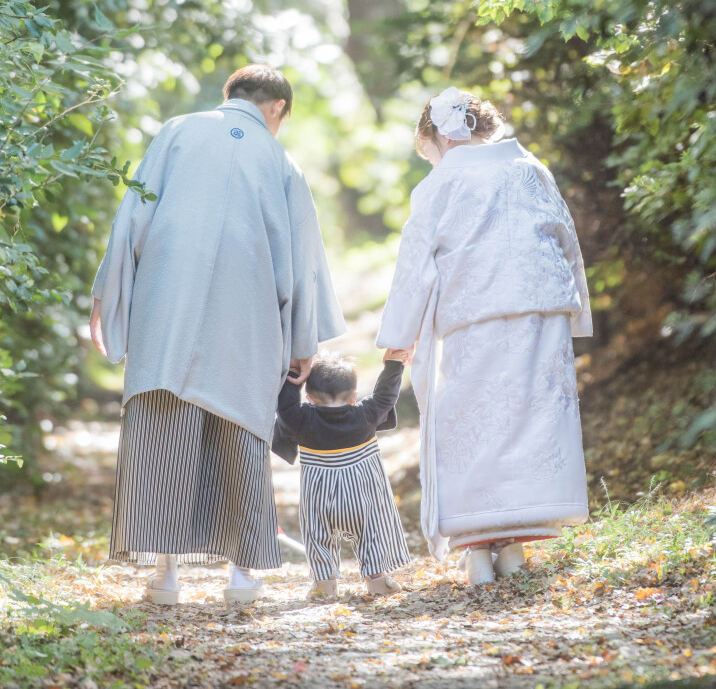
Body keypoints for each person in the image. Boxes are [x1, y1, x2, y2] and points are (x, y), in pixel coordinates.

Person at [90, 64, 345, 605]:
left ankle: (165, 576)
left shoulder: (177, 131)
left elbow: (132, 217)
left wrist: (108, 296)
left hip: (167, 300)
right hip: (247, 309)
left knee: (163, 428)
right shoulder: (282, 161)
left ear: (231, 95)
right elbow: (302, 261)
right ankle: (243, 576)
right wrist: (304, 342)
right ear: (277, 108)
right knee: (241, 430)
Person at [376, 87, 592, 586]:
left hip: (473, 309)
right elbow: (566, 240)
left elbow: (415, 263)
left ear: (441, 137)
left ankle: (477, 550)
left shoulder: (441, 183)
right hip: (540, 307)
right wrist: (576, 312)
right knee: (530, 419)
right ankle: (514, 545)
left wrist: (400, 335)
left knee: (471, 421)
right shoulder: (531, 168)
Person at [272, 351, 411, 599]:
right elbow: (386, 396)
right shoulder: (366, 414)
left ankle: (324, 584)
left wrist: (294, 373)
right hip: (362, 500)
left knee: (318, 537)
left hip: (320, 502)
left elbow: (285, 407)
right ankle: (377, 580)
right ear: (353, 396)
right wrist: (393, 364)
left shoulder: (301, 419)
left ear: (310, 398)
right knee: (372, 532)